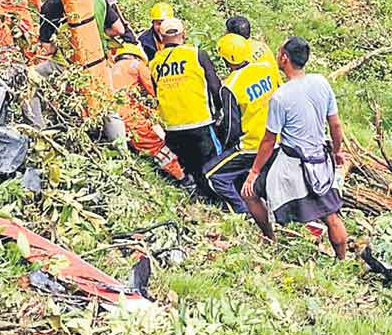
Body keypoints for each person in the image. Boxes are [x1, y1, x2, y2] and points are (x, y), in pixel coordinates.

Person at [241, 36, 349, 259]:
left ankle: (270, 238)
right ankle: (342, 260)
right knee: (331, 215)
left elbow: (269, 140)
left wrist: (254, 172)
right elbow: (335, 123)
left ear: (284, 58)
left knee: (249, 193)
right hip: (319, 159)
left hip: (292, 164)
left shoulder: (281, 97)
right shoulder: (321, 82)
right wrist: (337, 151)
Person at [149, 17, 230, 193]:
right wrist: (219, 112)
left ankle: (198, 195)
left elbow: (156, 93)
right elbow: (215, 86)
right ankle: (219, 201)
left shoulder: (154, 63)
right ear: (183, 34)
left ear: (161, 38)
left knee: (190, 167)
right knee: (214, 168)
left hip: (171, 128)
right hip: (199, 122)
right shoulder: (196, 54)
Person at [202, 33, 280, 213]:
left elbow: (232, 126)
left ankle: (243, 210)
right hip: (276, 139)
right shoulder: (266, 68)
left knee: (212, 175)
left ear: (227, 60)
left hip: (251, 146)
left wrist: (227, 144)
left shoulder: (231, 87)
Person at [108, 43, 189, 185]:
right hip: (130, 117)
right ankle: (183, 178)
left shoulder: (112, 69)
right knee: (156, 145)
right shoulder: (136, 65)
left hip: (113, 117)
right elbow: (154, 90)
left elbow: (133, 99)